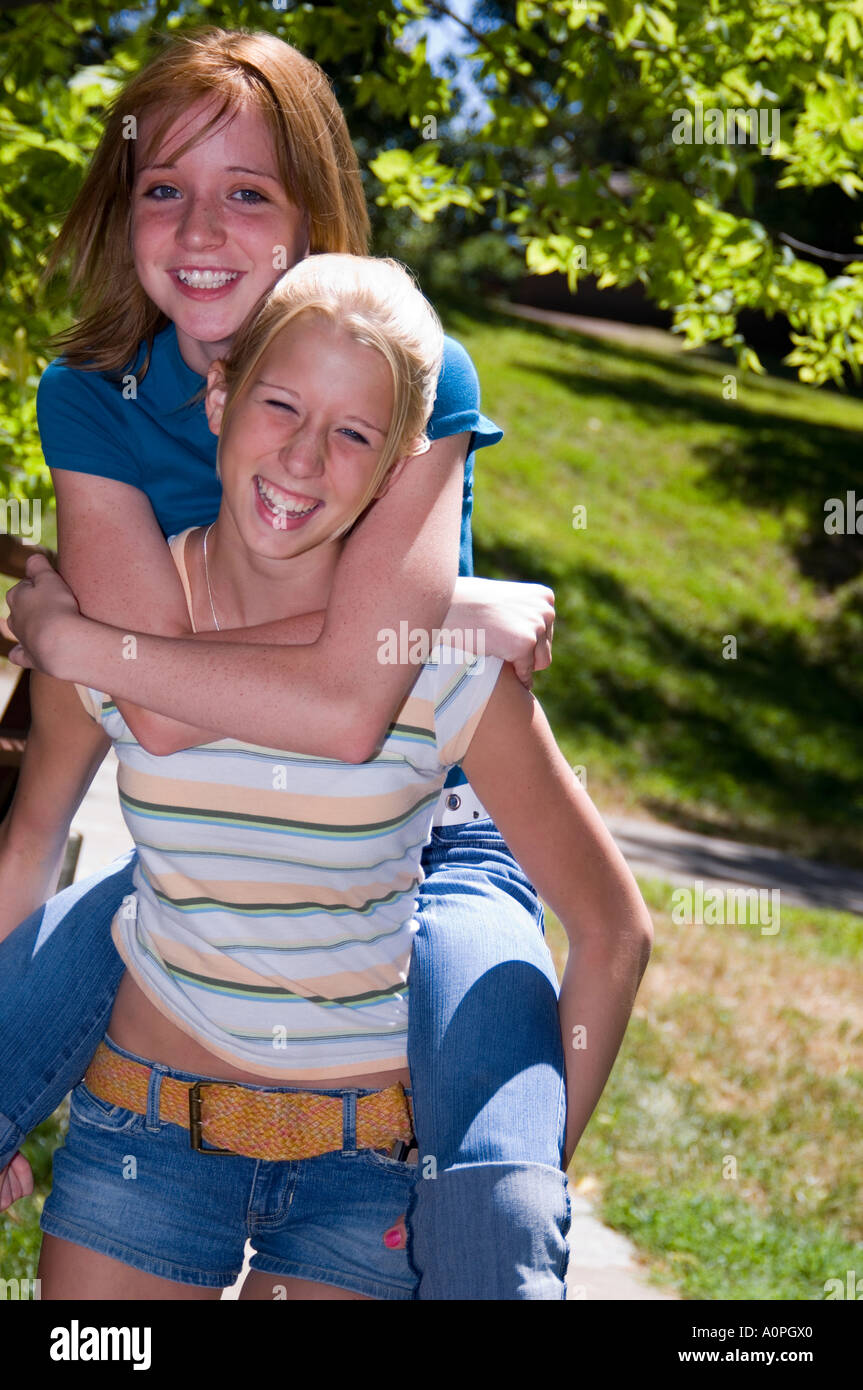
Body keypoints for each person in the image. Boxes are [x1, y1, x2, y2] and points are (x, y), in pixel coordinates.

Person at [0, 27, 630, 1298]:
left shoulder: (409, 372)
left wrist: (89, 637)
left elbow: (350, 705)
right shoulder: (93, 398)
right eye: (161, 189)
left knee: (492, 1231)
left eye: (248, 193)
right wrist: (438, 613)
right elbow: (159, 724)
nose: (198, 230)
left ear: (310, 217)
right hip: (209, 825)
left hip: (432, 824)